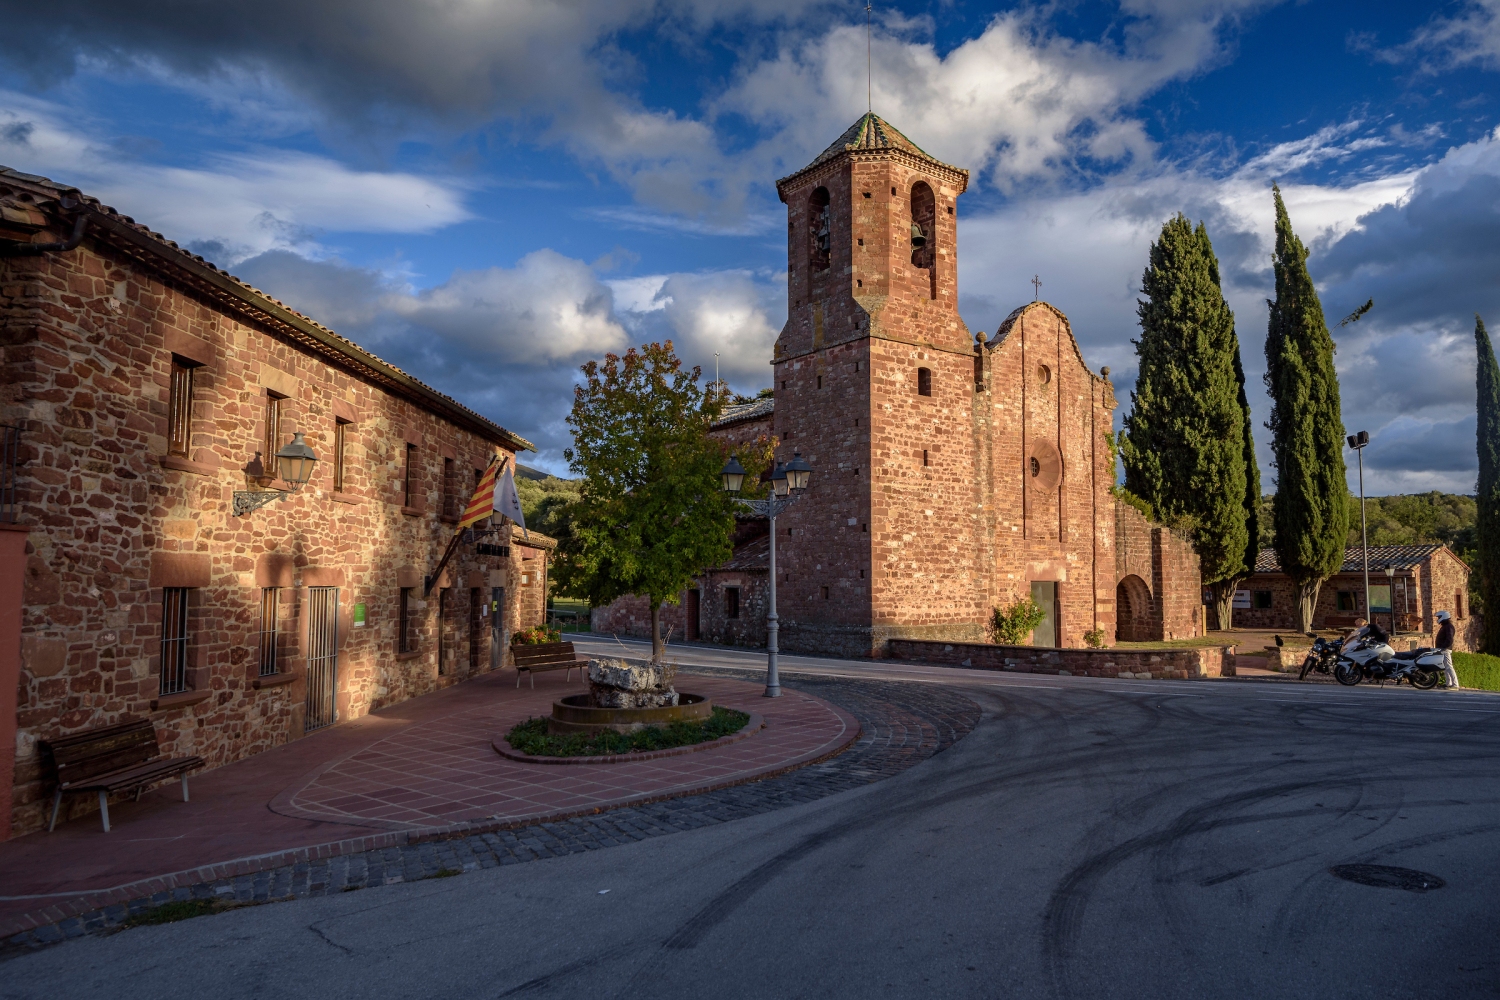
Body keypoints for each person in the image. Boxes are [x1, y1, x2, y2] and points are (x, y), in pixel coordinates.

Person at [1435, 610, 1460, 689]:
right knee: (1445, 667)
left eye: (1439, 617)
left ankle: (1455, 685)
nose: (1438, 618)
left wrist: (1444, 646)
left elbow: (1449, 639)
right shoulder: (1445, 626)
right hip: (1442, 649)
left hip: (1445, 650)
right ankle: (1448, 683)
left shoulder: (1449, 626)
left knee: (1449, 666)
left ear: (1444, 617)